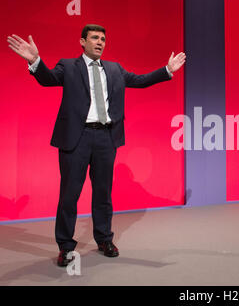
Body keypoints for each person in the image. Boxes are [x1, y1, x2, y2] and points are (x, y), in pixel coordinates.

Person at [7, 24, 186, 267]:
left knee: (103, 193)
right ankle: (66, 247)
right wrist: (36, 61)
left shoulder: (114, 69)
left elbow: (140, 81)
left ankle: (104, 239)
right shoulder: (68, 66)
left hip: (105, 138)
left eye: (103, 38)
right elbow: (48, 80)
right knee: (69, 195)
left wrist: (167, 70)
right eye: (94, 38)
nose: (100, 42)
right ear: (82, 41)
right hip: (76, 138)